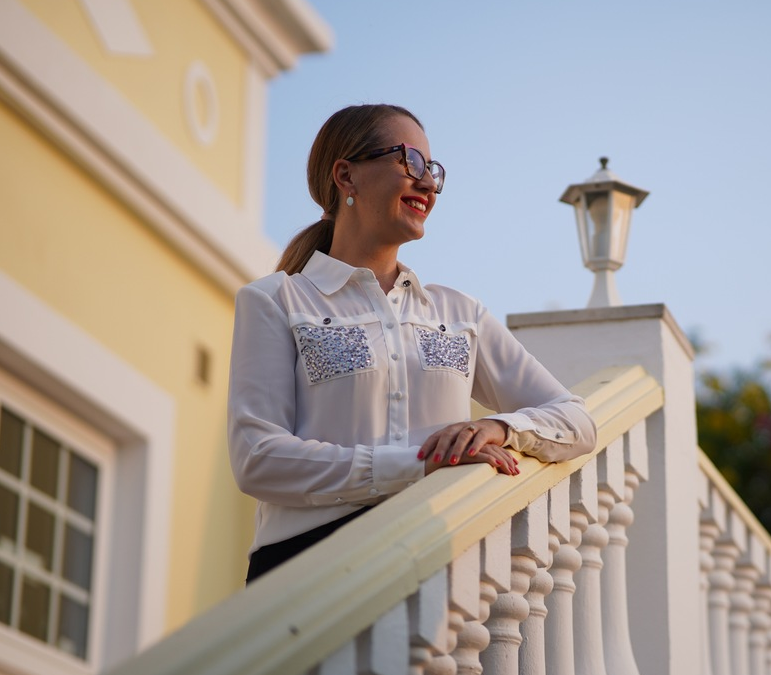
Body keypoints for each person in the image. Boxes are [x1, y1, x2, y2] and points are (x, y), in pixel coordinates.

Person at [228, 104, 596, 583]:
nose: (427, 184)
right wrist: (417, 467)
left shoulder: (460, 314)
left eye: (433, 170)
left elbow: (577, 421)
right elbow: (258, 459)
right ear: (346, 175)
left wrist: (498, 429)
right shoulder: (275, 300)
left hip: (437, 564)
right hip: (305, 568)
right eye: (411, 162)